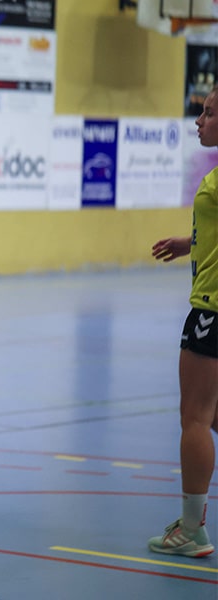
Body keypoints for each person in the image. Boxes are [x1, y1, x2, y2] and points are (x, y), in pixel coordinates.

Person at [148, 83, 218, 558]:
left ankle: (192, 529)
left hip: (211, 311)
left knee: (194, 416)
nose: (199, 120)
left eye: (209, 113)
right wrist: (189, 241)